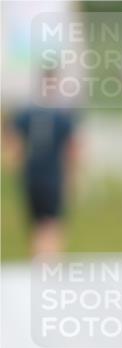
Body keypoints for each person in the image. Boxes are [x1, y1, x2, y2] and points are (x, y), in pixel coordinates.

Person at [11, 68, 78, 256]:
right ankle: (49, 262)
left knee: (37, 222)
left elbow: (14, 143)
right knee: (52, 222)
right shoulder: (62, 114)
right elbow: (72, 148)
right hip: (51, 174)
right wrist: (73, 175)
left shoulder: (26, 112)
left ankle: (39, 259)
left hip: (32, 173)